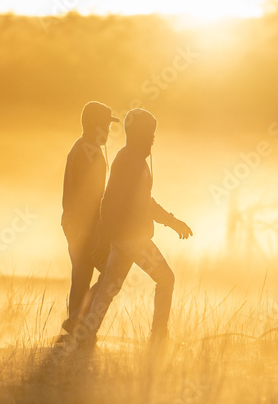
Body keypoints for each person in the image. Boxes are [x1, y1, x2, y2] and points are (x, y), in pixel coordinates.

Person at [76, 108, 192, 348]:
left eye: (153, 134)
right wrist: (172, 221)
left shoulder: (130, 158)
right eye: (149, 133)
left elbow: (140, 202)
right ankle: (159, 338)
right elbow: (113, 202)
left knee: (109, 286)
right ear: (136, 133)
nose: (152, 138)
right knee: (166, 279)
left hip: (123, 239)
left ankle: (86, 334)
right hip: (133, 239)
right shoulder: (131, 162)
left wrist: (110, 236)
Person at [61, 101, 119, 334]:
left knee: (82, 275)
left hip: (73, 224)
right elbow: (91, 197)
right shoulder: (91, 153)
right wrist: (99, 230)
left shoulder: (80, 147)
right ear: (95, 125)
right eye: (105, 125)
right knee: (111, 272)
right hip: (86, 226)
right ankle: (79, 320)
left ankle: (73, 327)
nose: (108, 131)